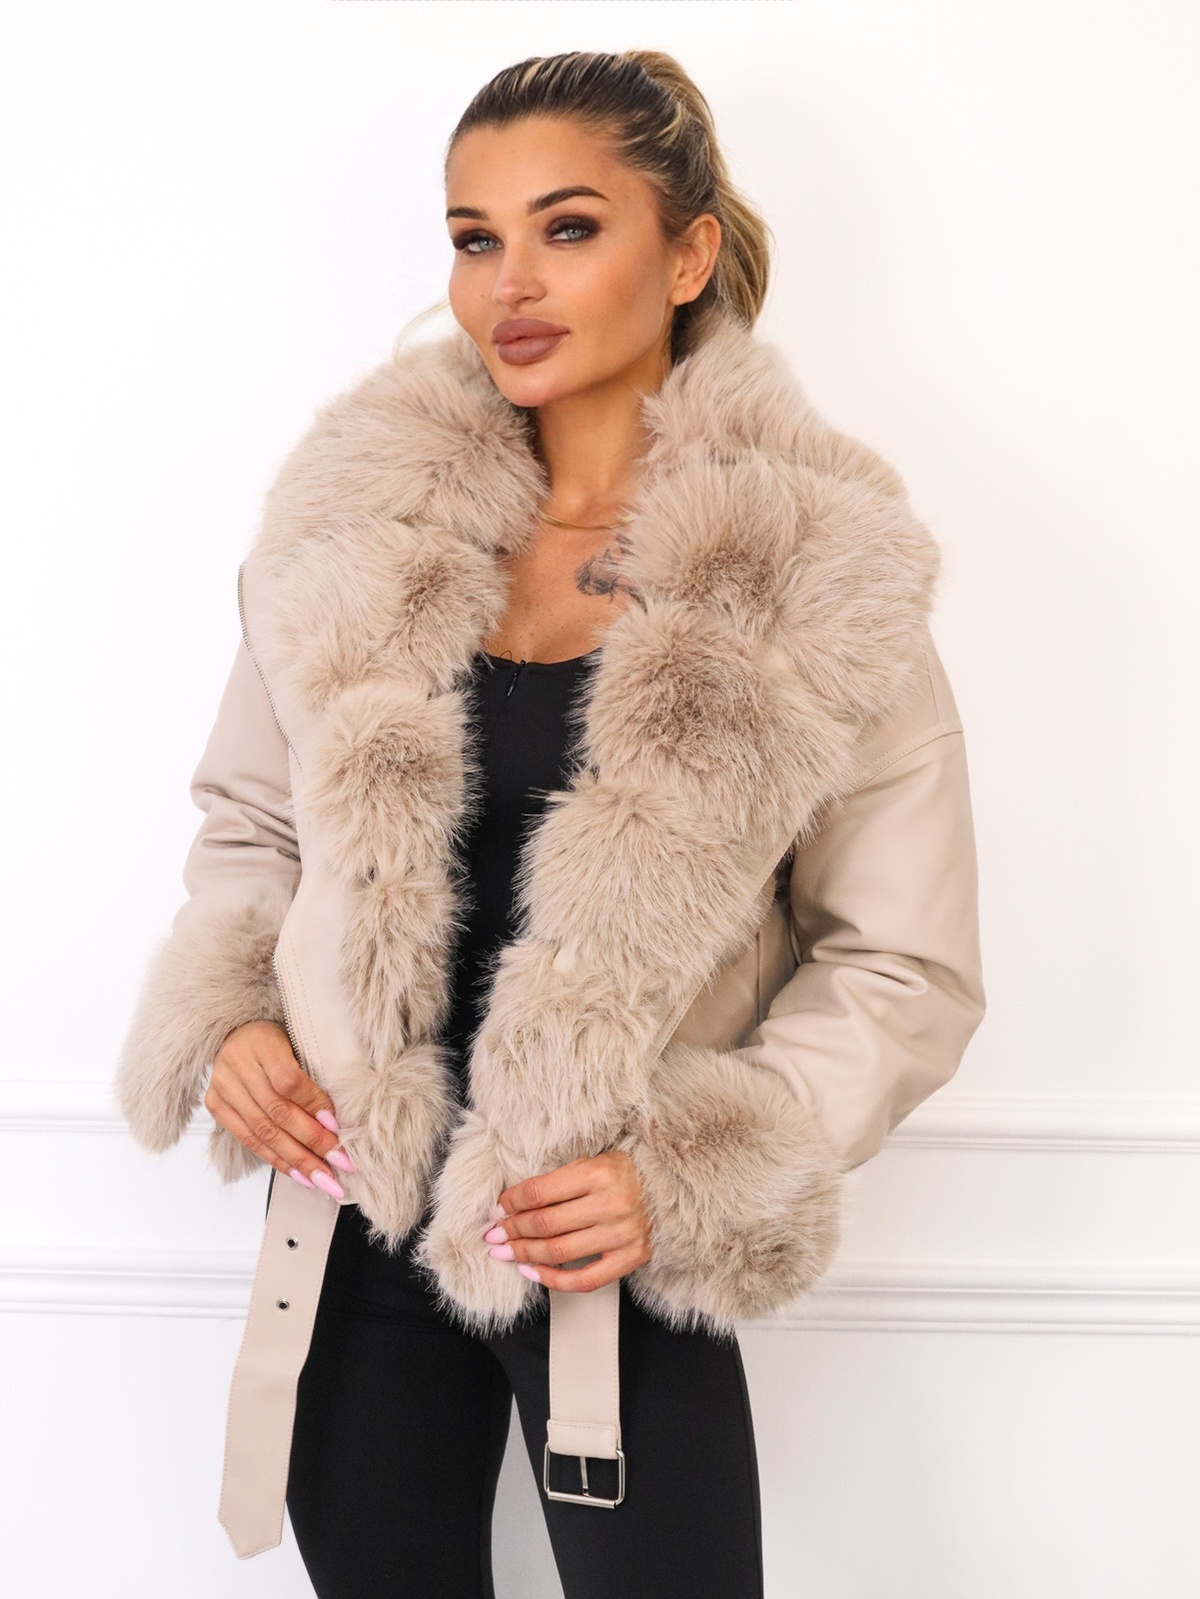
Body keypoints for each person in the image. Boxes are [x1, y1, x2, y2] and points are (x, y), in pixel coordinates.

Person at [115, 47, 985, 1599]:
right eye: (474, 238)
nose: (508, 283)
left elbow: (904, 965)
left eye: (567, 228)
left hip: (609, 1254)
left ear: (688, 254)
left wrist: (691, 1168)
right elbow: (250, 823)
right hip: (354, 1223)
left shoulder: (819, 576)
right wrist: (233, 1010)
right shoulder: (350, 528)